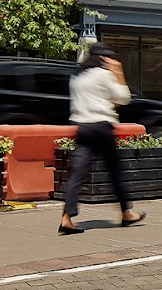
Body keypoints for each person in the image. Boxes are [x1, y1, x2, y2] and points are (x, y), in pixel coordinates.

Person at [58, 45, 146, 235]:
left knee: (77, 174)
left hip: (82, 127)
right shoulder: (103, 74)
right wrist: (118, 72)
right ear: (104, 58)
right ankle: (126, 213)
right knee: (115, 171)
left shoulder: (77, 76)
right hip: (101, 128)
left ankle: (67, 218)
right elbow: (124, 98)